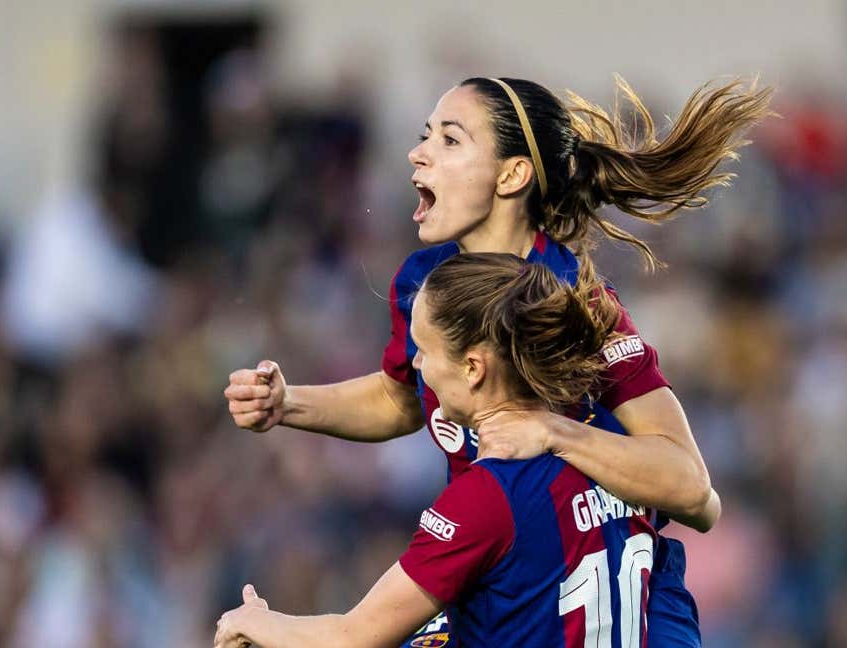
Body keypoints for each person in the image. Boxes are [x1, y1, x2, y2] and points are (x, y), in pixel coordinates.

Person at [223, 76, 771, 645]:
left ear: (512, 175)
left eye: (451, 140)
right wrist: (290, 404)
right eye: (425, 136)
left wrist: (551, 431)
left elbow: (694, 493)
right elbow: (400, 397)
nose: (418, 152)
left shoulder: (578, 305)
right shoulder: (424, 285)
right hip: (500, 575)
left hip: (607, 591)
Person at [216, 253, 686, 647]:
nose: (416, 364)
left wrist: (255, 622)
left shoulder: (484, 497)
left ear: (473, 368)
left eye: (424, 350)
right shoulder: (618, 460)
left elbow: (353, 637)